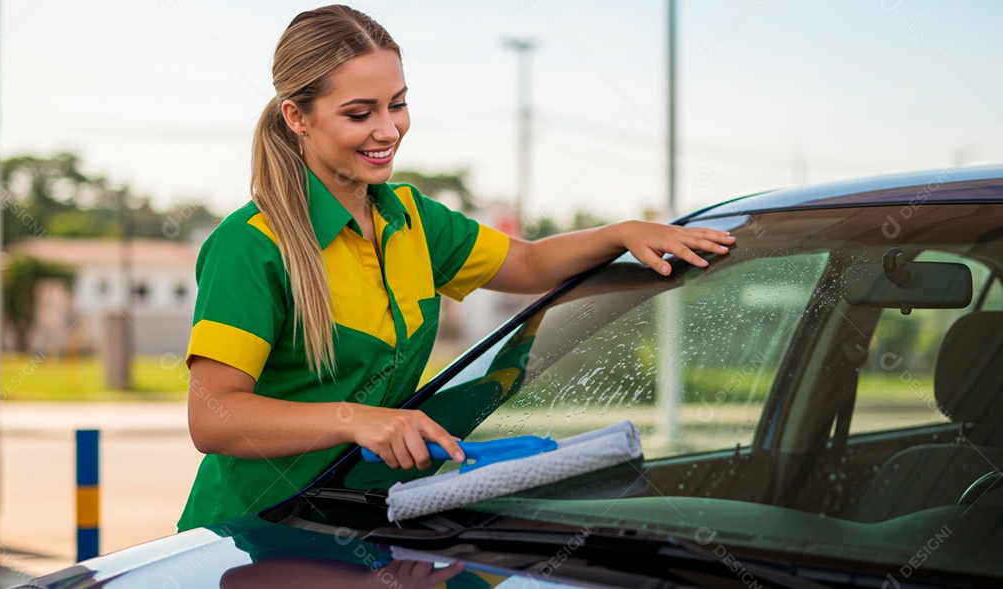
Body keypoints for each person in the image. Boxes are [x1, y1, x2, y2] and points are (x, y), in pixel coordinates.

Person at [178, 4, 735, 532]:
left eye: (397, 104)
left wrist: (619, 234)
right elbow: (214, 417)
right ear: (297, 116)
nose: (388, 130)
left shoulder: (412, 219)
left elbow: (528, 262)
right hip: (250, 533)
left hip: (366, 519)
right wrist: (357, 419)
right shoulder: (250, 246)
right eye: (359, 113)